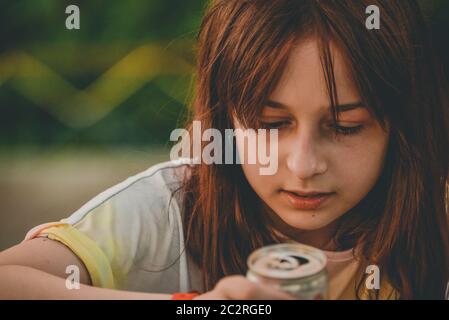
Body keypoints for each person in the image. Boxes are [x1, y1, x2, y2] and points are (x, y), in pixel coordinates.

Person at [1, 0, 448, 300]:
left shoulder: (435, 213)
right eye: (271, 124)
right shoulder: (168, 209)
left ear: (404, 123)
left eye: (346, 127)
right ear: (224, 116)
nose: (304, 164)